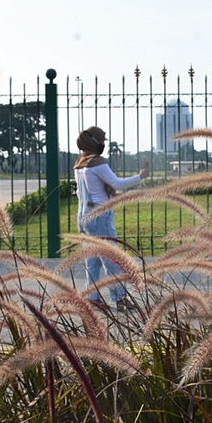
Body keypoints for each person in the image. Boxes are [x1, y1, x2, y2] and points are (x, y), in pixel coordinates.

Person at [74, 126, 149, 310]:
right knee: (112, 258)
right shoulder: (97, 162)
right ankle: (120, 298)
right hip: (100, 214)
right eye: (102, 141)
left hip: (83, 215)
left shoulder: (79, 164)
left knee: (92, 260)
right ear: (95, 143)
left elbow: (80, 192)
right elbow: (117, 183)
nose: (103, 145)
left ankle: (93, 298)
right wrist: (140, 177)